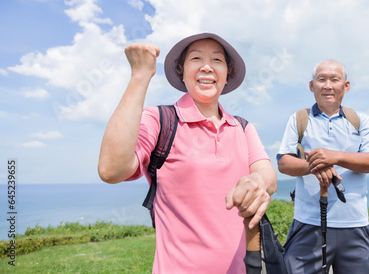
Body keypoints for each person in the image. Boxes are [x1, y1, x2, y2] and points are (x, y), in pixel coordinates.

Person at [98, 33, 277, 273]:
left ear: (227, 75)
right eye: (195, 58)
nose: (206, 66)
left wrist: (257, 181)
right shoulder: (161, 120)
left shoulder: (243, 127)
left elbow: (268, 176)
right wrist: (140, 76)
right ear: (182, 72)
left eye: (217, 60)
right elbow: (111, 169)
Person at [277, 59, 369, 274]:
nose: (328, 85)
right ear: (312, 85)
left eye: (335, 79)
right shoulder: (298, 119)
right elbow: (284, 162)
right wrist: (315, 166)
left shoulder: (361, 120)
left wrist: (334, 157)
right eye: (321, 79)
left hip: (354, 223)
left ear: (346, 86)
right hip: (308, 222)